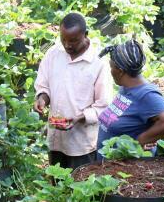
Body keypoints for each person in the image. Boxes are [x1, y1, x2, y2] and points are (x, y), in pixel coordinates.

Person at [34, 12, 112, 169]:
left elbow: (104, 105)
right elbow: (44, 85)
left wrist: (78, 118)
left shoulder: (98, 63)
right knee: (57, 185)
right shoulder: (53, 54)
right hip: (56, 138)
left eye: (74, 41)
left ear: (85, 35)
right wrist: (42, 99)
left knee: (80, 186)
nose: (68, 45)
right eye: (64, 40)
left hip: (82, 143)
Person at [96, 40, 164, 156]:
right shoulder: (126, 88)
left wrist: (140, 141)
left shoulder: (146, 94)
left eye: (111, 67)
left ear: (120, 71)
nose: (111, 71)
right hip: (111, 167)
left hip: (129, 169)